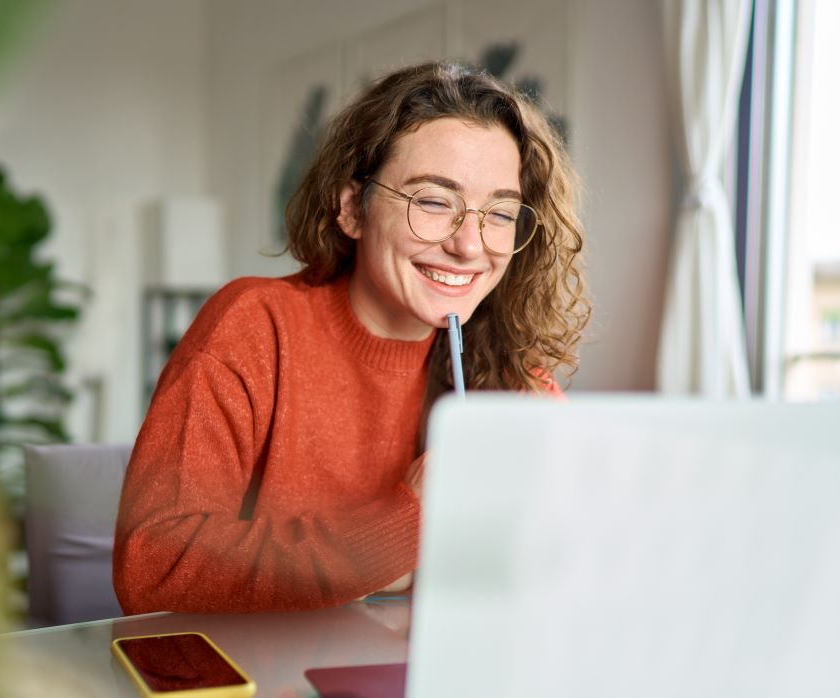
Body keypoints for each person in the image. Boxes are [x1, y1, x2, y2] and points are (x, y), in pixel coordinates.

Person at [113, 61, 589, 614]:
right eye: (434, 201)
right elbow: (153, 566)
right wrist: (407, 522)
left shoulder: (508, 367)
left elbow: (565, 558)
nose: (469, 245)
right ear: (351, 209)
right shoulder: (254, 327)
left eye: (500, 213)